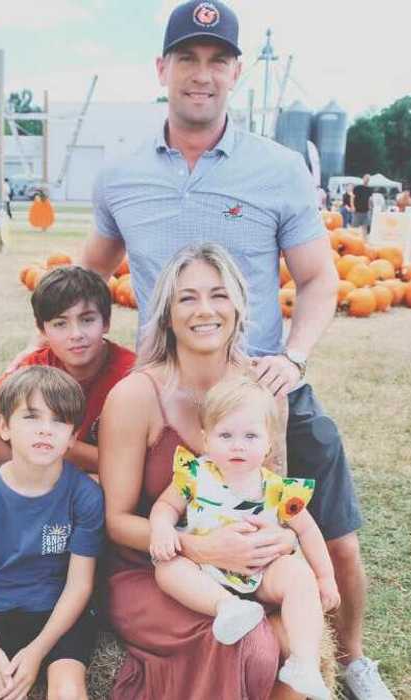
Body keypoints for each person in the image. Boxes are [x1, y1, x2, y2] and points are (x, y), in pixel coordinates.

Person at [80, 2, 391, 696]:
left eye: (216, 60)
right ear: (160, 70)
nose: (201, 74)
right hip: (166, 384)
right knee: (165, 516)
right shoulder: (121, 173)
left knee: (330, 535)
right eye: (186, 59)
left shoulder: (277, 169)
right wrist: (55, 356)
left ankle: (354, 658)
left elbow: (317, 280)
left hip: (262, 386)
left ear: (236, 73)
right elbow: (88, 278)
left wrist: (295, 357)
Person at [101, 243, 297, 698]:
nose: (204, 310)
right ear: (167, 314)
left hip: (245, 565)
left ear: (239, 306)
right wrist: (200, 548)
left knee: (295, 644)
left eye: (218, 294)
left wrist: (284, 538)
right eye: (187, 297)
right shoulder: (136, 395)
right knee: (253, 646)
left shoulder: (264, 391)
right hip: (152, 568)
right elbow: (115, 522)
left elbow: (278, 497)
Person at [149, 376, 338, 700]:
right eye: (226, 435)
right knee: (166, 568)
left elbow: (307, 530)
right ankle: (228, 607)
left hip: (261, 573)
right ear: (207, 440)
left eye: (250, 436)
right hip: (205, 573)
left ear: (268, 443)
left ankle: (304, 663)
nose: (238, 445)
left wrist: (325, 577)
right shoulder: (194, 475)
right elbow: (165, 506)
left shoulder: (277, 488)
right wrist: (163, 528)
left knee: (298, 575)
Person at [0, 267, 135, 527]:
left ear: (105, 322)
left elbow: (135, 466)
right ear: (43, 330)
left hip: (101, 476)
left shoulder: (131, 375)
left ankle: (25, 518)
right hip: (45, 469)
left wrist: (65, 447)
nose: (76, 334)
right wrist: (16, 428)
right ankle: (13, 516)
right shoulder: (35, 369)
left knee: (110, 490)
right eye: (60, 323)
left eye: (87, 319)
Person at [0, 366, 104, 700]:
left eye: (59, 420)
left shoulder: (85, 496)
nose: (45, 431)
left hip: (59, 614)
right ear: (4, 427)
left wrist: (36, 652)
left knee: (67, 690)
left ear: (74, 436)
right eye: (31, 417)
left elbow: (80, 584)